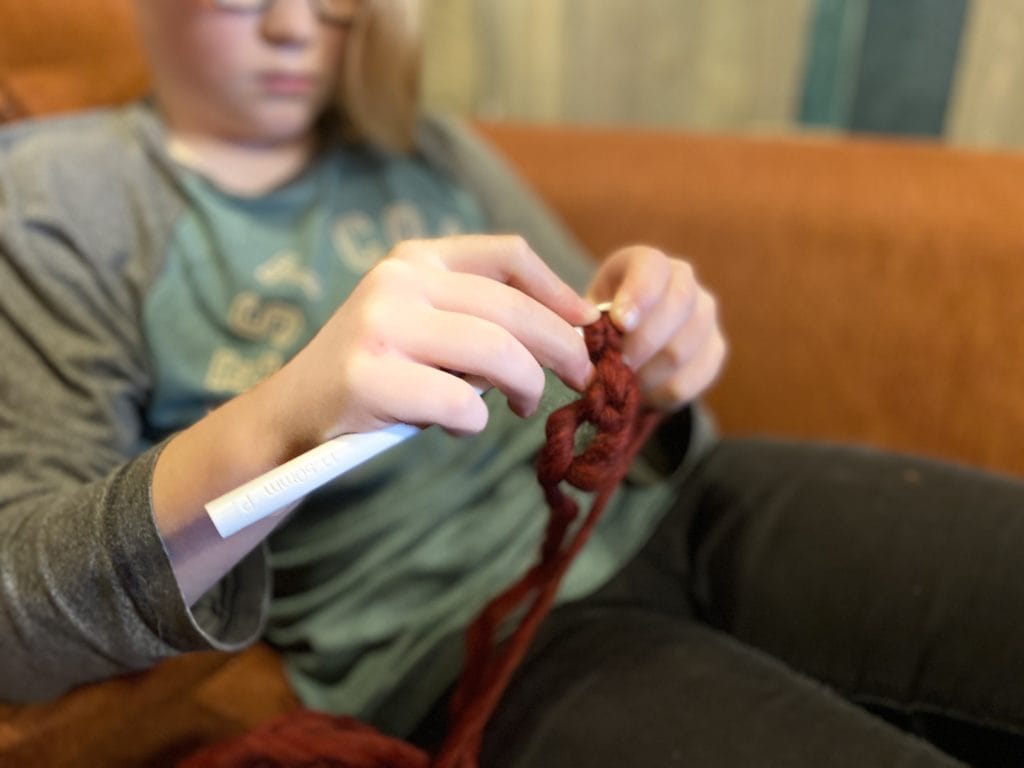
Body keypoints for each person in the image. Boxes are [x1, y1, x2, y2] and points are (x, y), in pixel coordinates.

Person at [0, 1, 1020, 765]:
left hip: (679, 496)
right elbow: (21, 628)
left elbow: (592, 334)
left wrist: (656, 349)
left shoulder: (420, 140)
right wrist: (283, 423)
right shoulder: (58, 194)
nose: (294, 26)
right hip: (454, 634)